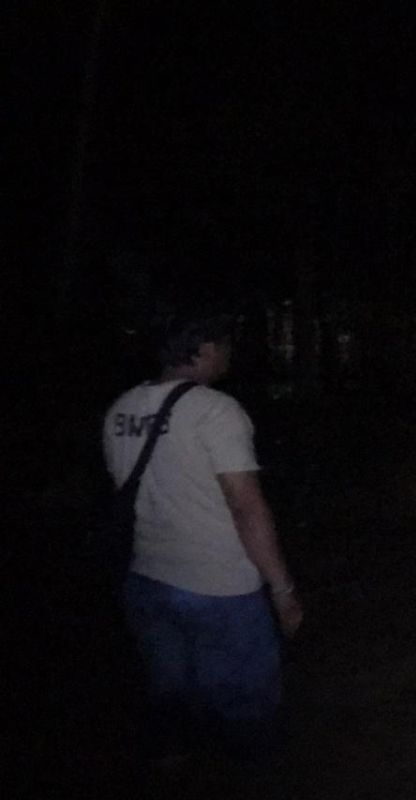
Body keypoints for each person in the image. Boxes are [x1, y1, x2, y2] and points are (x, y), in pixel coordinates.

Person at [102, 302, 302, 765]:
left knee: (174, 699)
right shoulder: (216, 411)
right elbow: (245, 506)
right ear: (206, 350)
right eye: (226, 346)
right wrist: (282, 589)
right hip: (219, 589)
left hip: (147, 580)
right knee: (245, 709)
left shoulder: (119, 410)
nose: (229, 356)